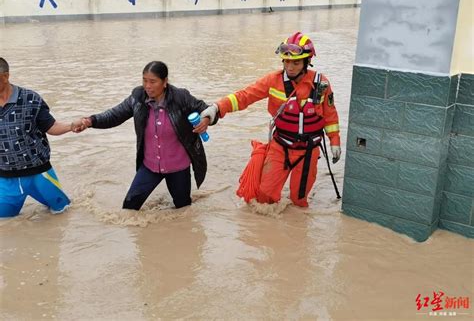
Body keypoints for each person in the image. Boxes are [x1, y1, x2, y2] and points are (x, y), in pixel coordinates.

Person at [200, 32, 341, 207]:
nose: (290, 67)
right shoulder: (272, 81)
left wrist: (335, 141)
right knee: (264, 198)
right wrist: (217, 108)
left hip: (308, 150)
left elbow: (330, 115)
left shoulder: (321, 84)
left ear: (307, 62)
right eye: (286, 61)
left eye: (296, 62)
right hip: (280, 146)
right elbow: (244, 96)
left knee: (299, 201)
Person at [78, 61, 216, 211]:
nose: (147, 86)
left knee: (183, 210)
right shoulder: (137, 99)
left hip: (178, 167)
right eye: (144, 80)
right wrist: (90, 121)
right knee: (129, 208)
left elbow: (207, 109)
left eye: (152, 81)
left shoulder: (181, 97)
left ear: (165, 82)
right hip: (150, 166)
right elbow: (115, 115)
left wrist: (206, 120)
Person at [0, 57, 82, 217]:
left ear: (5, 76)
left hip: (39, 174)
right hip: (5, 179)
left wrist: (72, 125)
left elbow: (51, 127)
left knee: (64, 212)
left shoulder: (30, 99)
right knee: (5, 223)